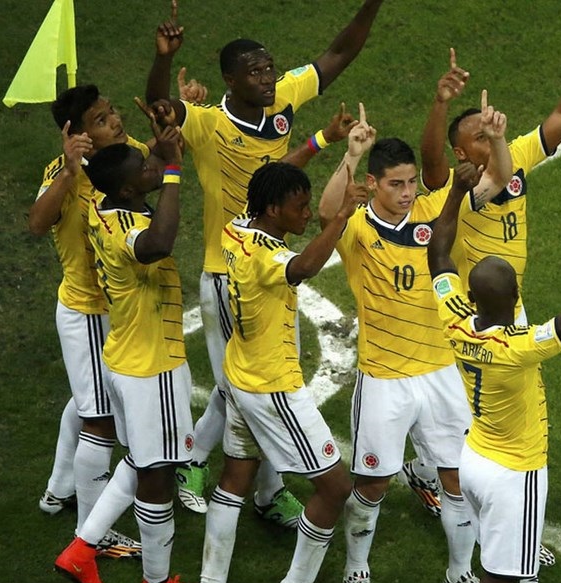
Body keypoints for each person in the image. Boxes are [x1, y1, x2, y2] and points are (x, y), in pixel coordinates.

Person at [143, 0, 383, 522]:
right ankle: (200, 465)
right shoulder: (206, 124)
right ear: (230, 80)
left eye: (270, 68)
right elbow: (159, 105)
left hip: (268, 264)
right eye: (255, 72)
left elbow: (339, 53)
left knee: (266, 383)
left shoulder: (283, 98)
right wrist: (163, 59)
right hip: (228, 273)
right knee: (246, 387)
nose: (269, 78)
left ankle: (264, 491)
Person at [402, 17, 561, 532]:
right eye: (478, 136)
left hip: (508, 311)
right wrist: (439, 105)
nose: (489, 136)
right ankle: (479, 509)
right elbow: (439, 159)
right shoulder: (458, 186)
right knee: (473, 416)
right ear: (463, 155)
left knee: (502, 413)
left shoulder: (511, 157)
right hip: (465, 315)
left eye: (489, 129)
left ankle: (429, 472)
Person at [317, 96, 511, 583]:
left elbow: (498, 180)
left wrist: (500, 139)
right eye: (395, 184)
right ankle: (357, 564)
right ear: (374, 185)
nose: (406, 192)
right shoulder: (358, 226)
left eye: (410, 183)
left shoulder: (432, 209)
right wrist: (352, 153)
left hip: (442, 371)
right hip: (384, 378)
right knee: (373, 483)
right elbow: (325, 211)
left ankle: (459, 572)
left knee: (455, 480)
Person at [427, 160, 561, 583]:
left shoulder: (454, 316)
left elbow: (438, 255)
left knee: (513, 571)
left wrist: (456, 191)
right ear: (514, 295)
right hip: (514, 473)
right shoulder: (518, 347)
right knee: (504, 578)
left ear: (471, 295)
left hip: (473, 459)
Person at [199, 162, 364, 583]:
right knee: (336, 488)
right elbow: (304, 267)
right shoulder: (267, 255)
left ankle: (210, 581)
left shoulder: (236, 229)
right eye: (300, 206)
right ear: (272, 210)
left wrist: (349, 154)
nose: (307, 214)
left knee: (235, 479)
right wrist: (341, 216)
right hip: (273, 388)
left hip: (239, 375)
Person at [55, 108, 191, 583]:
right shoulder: (129, 231)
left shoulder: (104, 202)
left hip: (126, 357)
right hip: (152, 366)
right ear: (131, 190)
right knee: (157, 475)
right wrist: (172, 171)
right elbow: (160, 242)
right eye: (146, 170)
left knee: (141, 461)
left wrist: (160, 149)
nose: (151, 166)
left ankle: (81, 547)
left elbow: (133, 174)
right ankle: (156, 580)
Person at [30, 85, 149, 559]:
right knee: (99, 419)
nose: (115, 120)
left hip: (119, 310)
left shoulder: (128, 155)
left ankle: (59, 489)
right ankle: (92, 535)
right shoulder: (62, 174)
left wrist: (166, 134)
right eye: (100, 119)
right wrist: (69, 171)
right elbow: (38, 223)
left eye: (111, 112)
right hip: (85, 314)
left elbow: (158, 168)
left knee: (86, 401)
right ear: (76, 136)